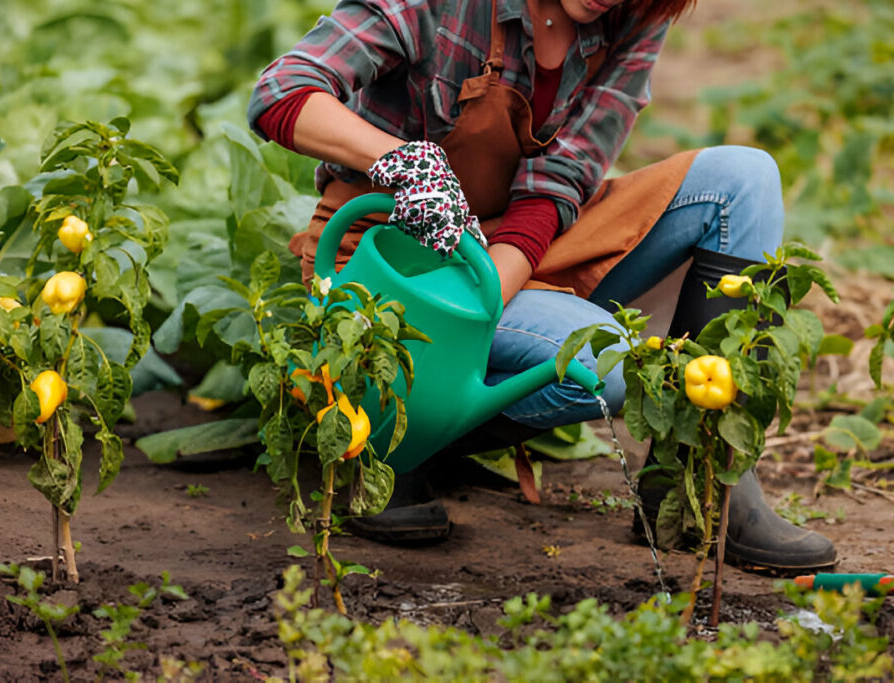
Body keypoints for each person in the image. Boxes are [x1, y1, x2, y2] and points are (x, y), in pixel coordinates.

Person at [248, 0, 837, 571]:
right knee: (604, 370)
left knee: (742, 179)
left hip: (514, 251)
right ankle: (390, 437)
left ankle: (697, 479)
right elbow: (283, 90)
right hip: (396, 261)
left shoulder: (632, 14)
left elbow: (557, 184)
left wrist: (483, 297)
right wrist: (402, 163)